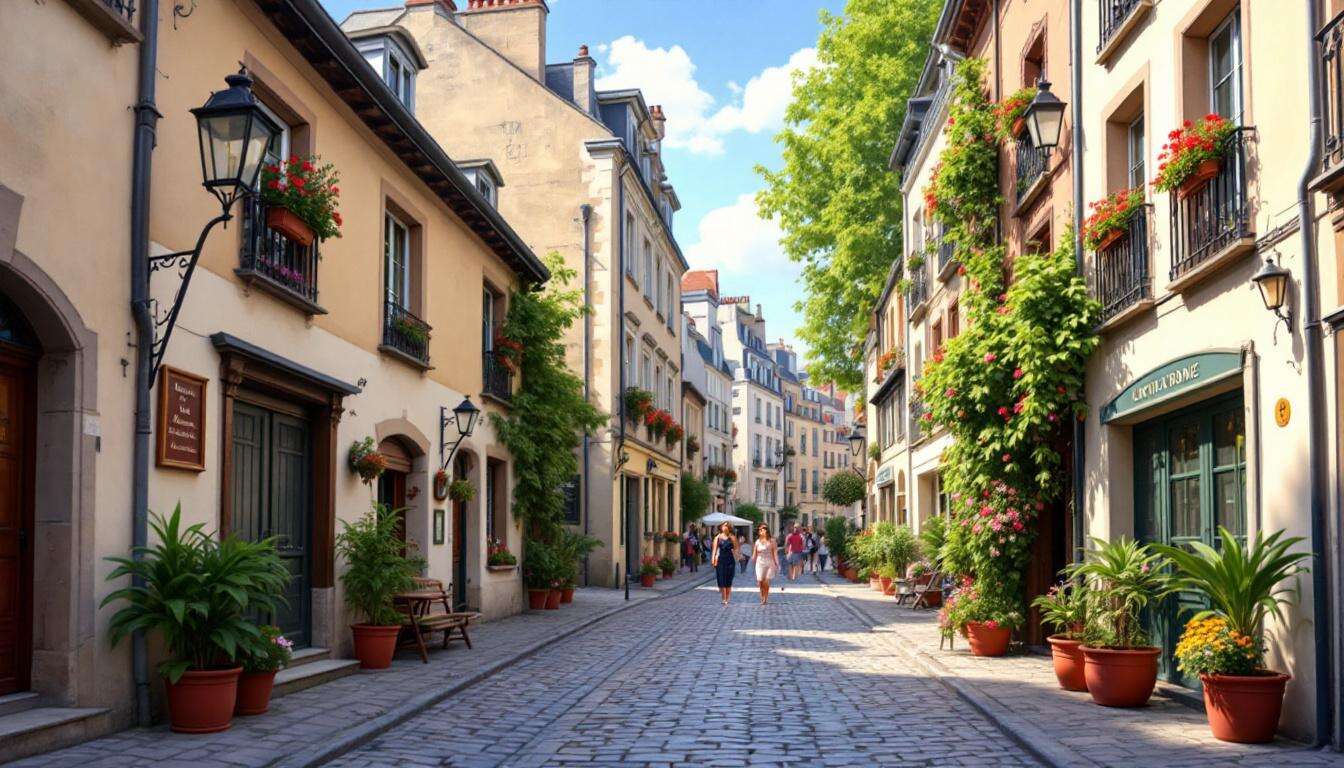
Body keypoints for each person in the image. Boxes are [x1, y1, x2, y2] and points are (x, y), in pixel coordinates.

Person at [710, 522, 739, 606]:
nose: (725, 527)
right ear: (721, 527)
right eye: (723, 525)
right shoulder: (718, 537)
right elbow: (714, 549)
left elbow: (736, 548)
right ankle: (723, 598)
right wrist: (713, 559)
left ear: (729, 527)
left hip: (730, 560)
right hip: (720, 560)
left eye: (726, 526)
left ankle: (727, 598)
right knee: (721, 580)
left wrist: (737, 557)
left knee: (728, 580)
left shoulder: (732, 537)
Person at [751, 524, 780, 605]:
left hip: (769, 562)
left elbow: (775, 553)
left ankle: (765, 598)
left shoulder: (772, 541)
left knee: (766, 581)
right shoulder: (757, 542)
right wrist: (752, 559)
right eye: (760, 529)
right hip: (759, 563)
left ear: (767, 530)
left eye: (763, 529)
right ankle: (762, 596)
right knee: (760, 581)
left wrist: (777, 563)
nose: (761, 530)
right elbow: (754, 554)